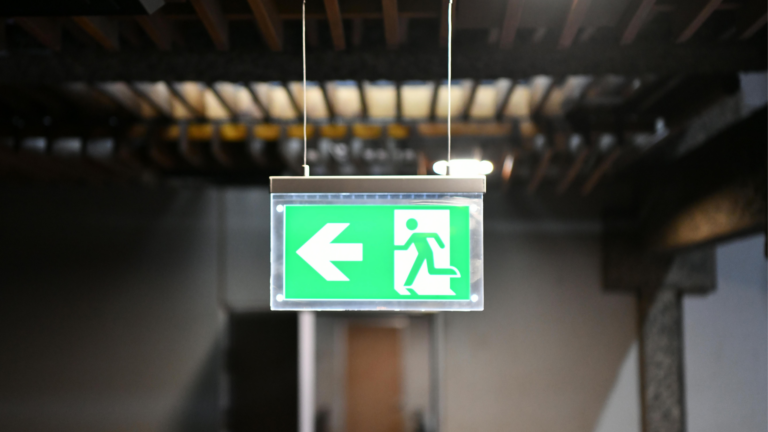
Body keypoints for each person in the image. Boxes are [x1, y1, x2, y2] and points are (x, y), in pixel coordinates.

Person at [394, 218, 458, 287]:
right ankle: (407, 284)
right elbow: (405, 247)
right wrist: (394, 247)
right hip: (421, 253)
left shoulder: (419, 235)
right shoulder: (414, 236)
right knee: (431, 270)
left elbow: (434, 235)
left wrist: (441, 245)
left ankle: (407, 284)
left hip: (427, 252)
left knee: (429, 270)